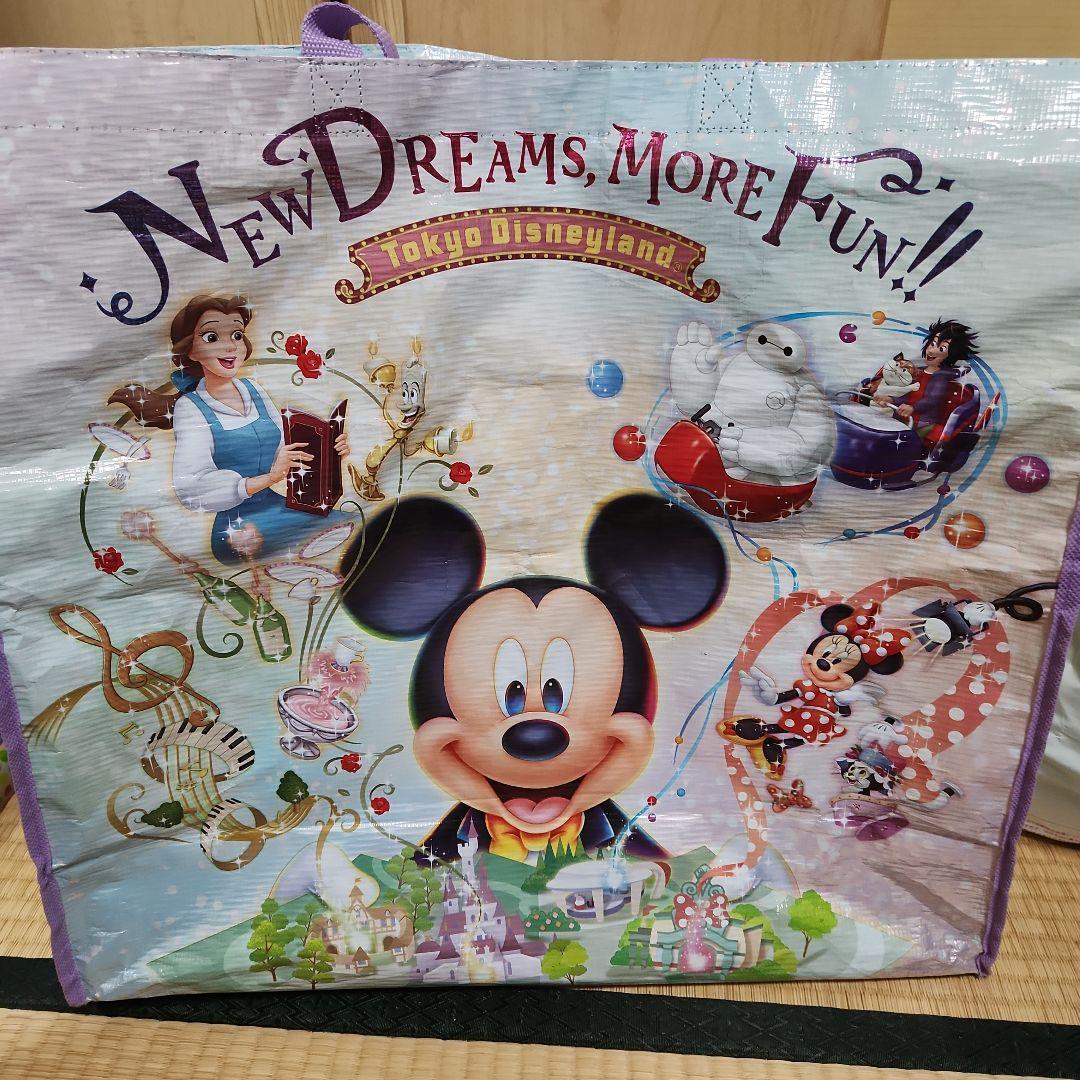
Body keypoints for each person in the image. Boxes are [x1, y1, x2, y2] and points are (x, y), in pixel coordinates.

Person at [113, 294, 350, 564]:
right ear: (191, 351)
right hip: (237, 530)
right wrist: (269, 478)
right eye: (212, 337)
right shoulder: (191, 407)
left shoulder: (252, 389)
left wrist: (328, 450)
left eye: (237, 335)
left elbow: (285, 450)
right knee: (331, 530)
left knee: (345, 522)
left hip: (278, 506)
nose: (230, 347)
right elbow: (190, 488)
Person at [856, 319, 978, 433]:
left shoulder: (941, 377)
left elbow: (931, 400)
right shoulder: (918, 372)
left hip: (922, 424)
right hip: (903, 419)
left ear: (951, 354)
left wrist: (913, 408)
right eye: (932, 344)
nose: (931, 350)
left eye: (941, 349)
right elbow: (907, 395)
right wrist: (891, 399)